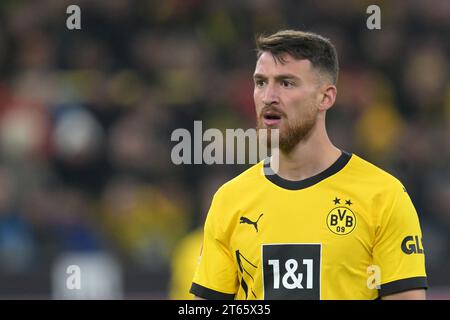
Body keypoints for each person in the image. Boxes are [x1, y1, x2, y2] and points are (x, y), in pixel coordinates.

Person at [189, 30, 427, 300]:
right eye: (260, 82)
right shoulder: (230, 200)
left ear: (325, 97)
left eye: (286, 83)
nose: (268, 96)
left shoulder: (383, 195)